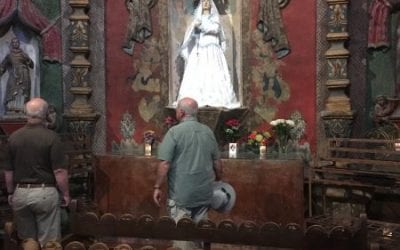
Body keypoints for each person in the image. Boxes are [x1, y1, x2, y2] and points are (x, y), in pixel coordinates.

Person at [153, 97, 223, 249]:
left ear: (181, 112)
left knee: (182, 240)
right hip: (203, 195)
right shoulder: (208, 132)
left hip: (181, 197)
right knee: (200, 237)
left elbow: (165, 163)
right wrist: (219, 180)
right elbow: (217, 162)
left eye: (177, 109)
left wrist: (157, 186)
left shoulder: (174, 132)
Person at [3, 97, 70, 248]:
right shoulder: (52, 137)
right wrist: (65, 193)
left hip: (20, 193)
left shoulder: (13, 137)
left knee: (28, 241)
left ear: (26, 114)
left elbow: (8, 171)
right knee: (50, 242)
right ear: (45, 114)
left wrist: (11, 193)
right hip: (45, 192)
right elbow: (59, 171)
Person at [175, 0, 240, 109]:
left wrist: (202, 27)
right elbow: (193, 36)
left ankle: (216, 97)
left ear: (211, 5)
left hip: (212, 49)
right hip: (200, 51)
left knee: (214, 72)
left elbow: (215, 29)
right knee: (199, 73)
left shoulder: (215, 18)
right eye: (204, 1)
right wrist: (194, 28)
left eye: (208, 1)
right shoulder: (197, 19)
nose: (206, 3)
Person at [0, 37, 34, 114]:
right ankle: (11, 108)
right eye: (13, 42)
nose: (15, 44)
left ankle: (22, 108)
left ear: (19, 44)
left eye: (17, 42)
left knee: (22, 91)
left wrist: (28, 59)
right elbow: (3, 65)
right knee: (12, 90)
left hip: (24, 74)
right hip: (14, 75)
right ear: (11, 44)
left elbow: (32, 65)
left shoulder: (24, 54)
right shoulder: (9, 55)